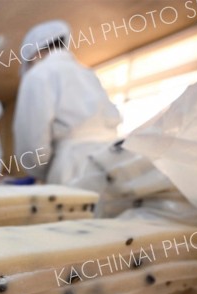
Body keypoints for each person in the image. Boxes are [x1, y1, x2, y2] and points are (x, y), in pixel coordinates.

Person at [12, 20, 121, 185]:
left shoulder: (38, 75)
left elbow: (33, 140)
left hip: (72, 167)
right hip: (113, 161)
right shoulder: (87, 73)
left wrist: (40, 171)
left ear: (34, 53)